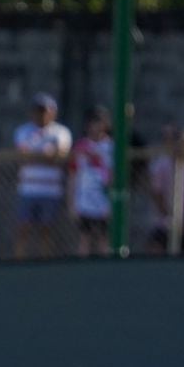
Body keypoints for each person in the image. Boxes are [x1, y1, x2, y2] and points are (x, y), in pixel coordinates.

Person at [13, 92, 72, 259]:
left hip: (50, 190)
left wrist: (39, 156)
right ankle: (19, 263)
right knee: (23, 227)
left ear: (53, 112)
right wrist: (45, 155)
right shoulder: (23, 131)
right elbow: (22, 157)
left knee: (47, 229)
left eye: (45, 111)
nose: (41, 115)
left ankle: (46, 262)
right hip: (28, 189)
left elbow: (59, 157)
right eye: (38, 111)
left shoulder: (61, 132)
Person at [67, 106, 114, 257]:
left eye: (100, 122)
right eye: (93, 122)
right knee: (85, 238)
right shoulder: (80, 146)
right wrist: (72, 202)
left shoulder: (112, 147)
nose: (96, 126)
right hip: (84, 200)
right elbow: (73, 175)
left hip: (104, 200)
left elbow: (115, 175)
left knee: (103, 238)